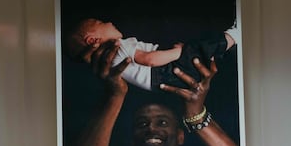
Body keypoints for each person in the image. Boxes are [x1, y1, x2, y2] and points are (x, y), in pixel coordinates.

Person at [68, 40, 242, 146]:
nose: (151, 128)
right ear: (132, 139)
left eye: (163, 122)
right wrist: (115, 95)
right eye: (142, 124)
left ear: (180, 136)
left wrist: (196, 116)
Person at [64, 18, 237, 91]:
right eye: (101, 23)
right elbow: (150, 60)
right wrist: (179, 52)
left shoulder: (108, 59)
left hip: (159, 81)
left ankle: (227, 44)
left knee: (200, 56)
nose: (109, 22)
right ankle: (233, 36)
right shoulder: (119, 47)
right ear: (92, 40)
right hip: (161, 71)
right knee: (198, 48)